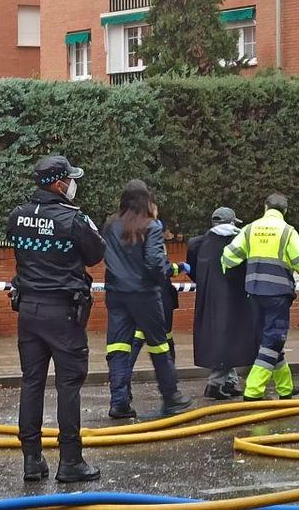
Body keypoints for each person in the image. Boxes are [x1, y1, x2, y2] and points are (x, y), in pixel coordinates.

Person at [7, 156, 105, 484]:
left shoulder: (18, 216)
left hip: (28, 312)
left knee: (31, 383)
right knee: (68, 386)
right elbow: (95, 254)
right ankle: (71, 460)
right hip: (63, 313)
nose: (73, 185)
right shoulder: (73, 219)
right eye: (70, 179)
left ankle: (32, 461)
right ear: (58, 183)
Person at [102, 180, 193, 419]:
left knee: (118, 347)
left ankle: (119, 402)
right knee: (159, 345)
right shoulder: (150, 225)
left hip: (116, 293)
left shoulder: (110, 224)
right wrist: (168, 270)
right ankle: (171, 397)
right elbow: (155, 262)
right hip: (145, 294)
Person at [221, 193, 299, 402]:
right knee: (273, 341)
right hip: (278, 295)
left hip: (254, 293)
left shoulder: (250, 229)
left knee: (268, 340)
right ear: (284, 211)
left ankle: (285, 388)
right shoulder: (287, 232)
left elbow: (228, 257)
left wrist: (232, 277)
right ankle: (254, 390)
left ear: (265, 208)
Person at [188, 206, 257, 400]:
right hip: (234, 299)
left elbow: (193, 272)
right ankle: (215, 383)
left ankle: (229, 381)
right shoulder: (238, 241)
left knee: (221, 339)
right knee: (229, 339)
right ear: (232, 222)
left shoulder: (198, 243)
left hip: (207, 298)